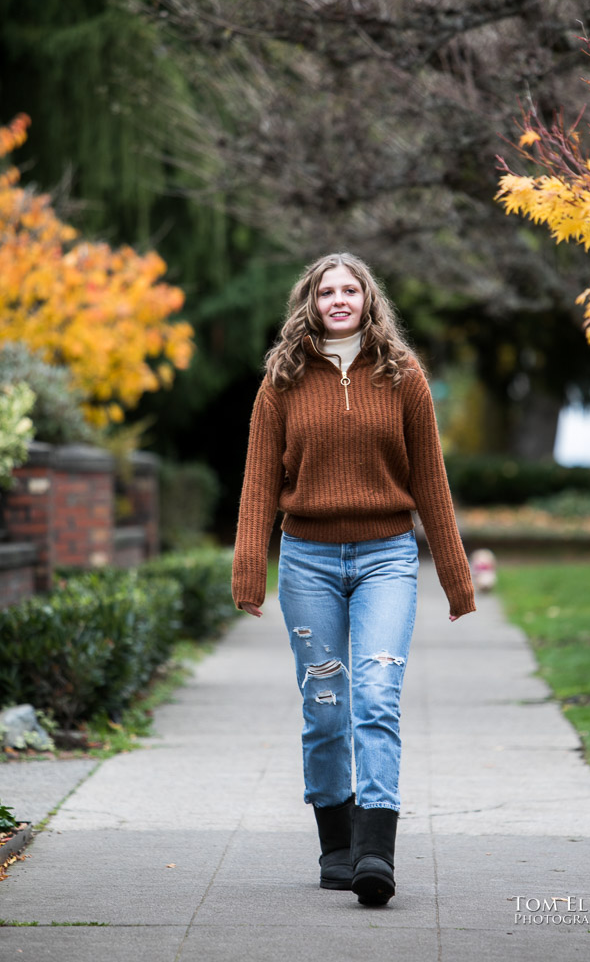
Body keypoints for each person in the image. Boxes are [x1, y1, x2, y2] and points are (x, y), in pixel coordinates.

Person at [232, 251, 476, 906]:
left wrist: (455, 578)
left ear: (369, 300)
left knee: (375, 696)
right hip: (308, 559)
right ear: (308, 303)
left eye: (349, 290)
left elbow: (430, 480)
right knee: (325, 708)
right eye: (325, 291)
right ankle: (335, 845)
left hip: (386, 558)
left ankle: (375, 853)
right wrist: (249, 570)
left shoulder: (403, 376)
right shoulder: (281, 381)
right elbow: (260, 481)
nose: (338, 300)